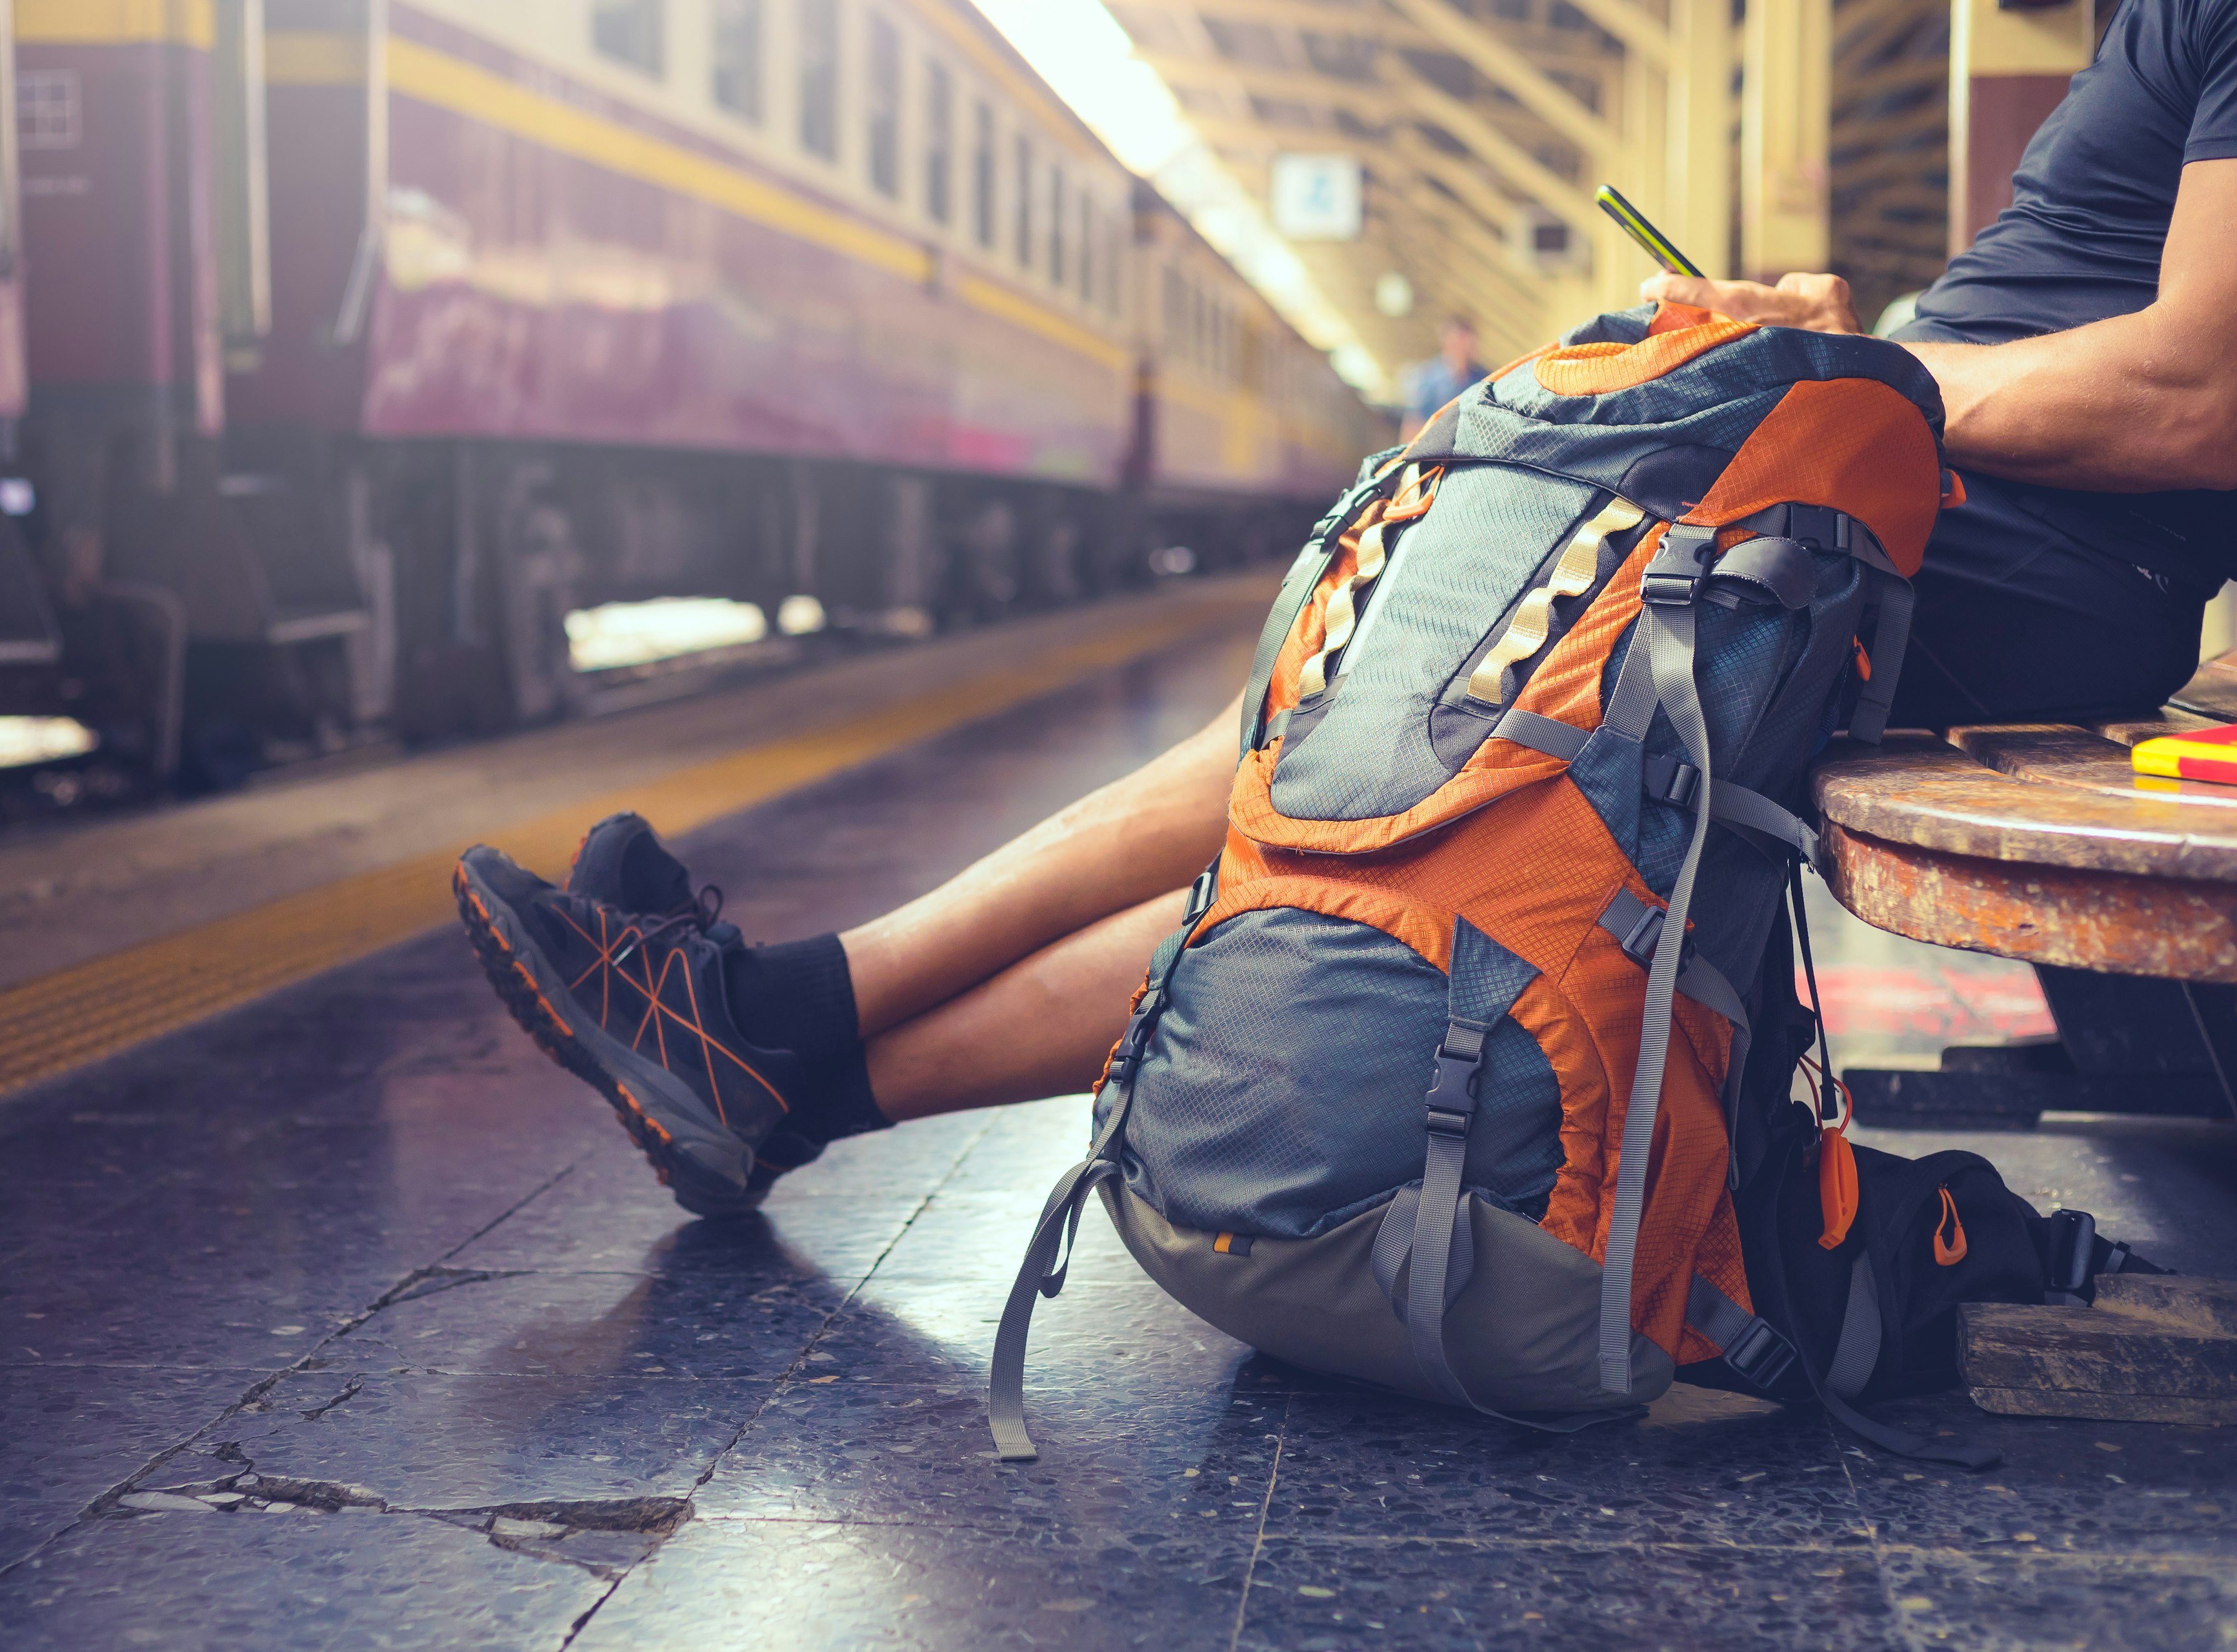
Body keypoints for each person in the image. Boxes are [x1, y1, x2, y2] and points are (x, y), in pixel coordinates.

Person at [456, 0, 2237, 1214]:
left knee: (1398, 770)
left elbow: (2199, 395)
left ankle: (777, 1033)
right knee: (1367, 725)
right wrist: (1840, 357)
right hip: (1904, 512)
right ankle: (778, 1044)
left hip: (1986, 557)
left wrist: (1856, 382)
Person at [1398, 316, 1487, 438]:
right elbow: (1414, 421)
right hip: (1433, 444)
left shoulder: (1481, 379)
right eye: (1459, 341)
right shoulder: (1427, 377)